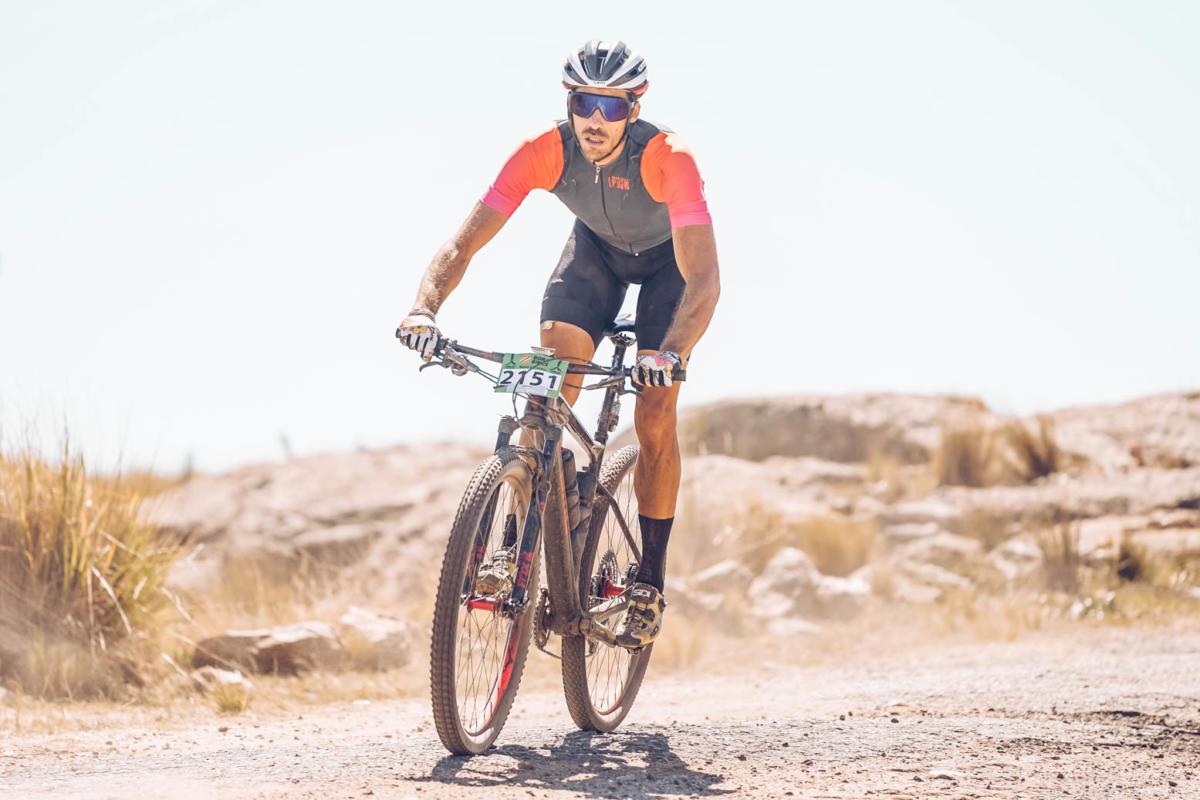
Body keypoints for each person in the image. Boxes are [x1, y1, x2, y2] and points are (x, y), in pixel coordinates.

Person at [397, 39, 720, 648]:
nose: (596, 119)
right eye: (583, 103)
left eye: (612, 106)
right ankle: (519, 535)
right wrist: (424, 309)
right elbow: (462, 244)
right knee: (547, 379)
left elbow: (703, 278)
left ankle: (649, 579)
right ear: (568, 102)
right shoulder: (543, 150)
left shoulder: (668, 158)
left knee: (656, 412)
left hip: (668, 269)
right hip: (594, 257)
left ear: (634, 108)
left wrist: (670, 354)